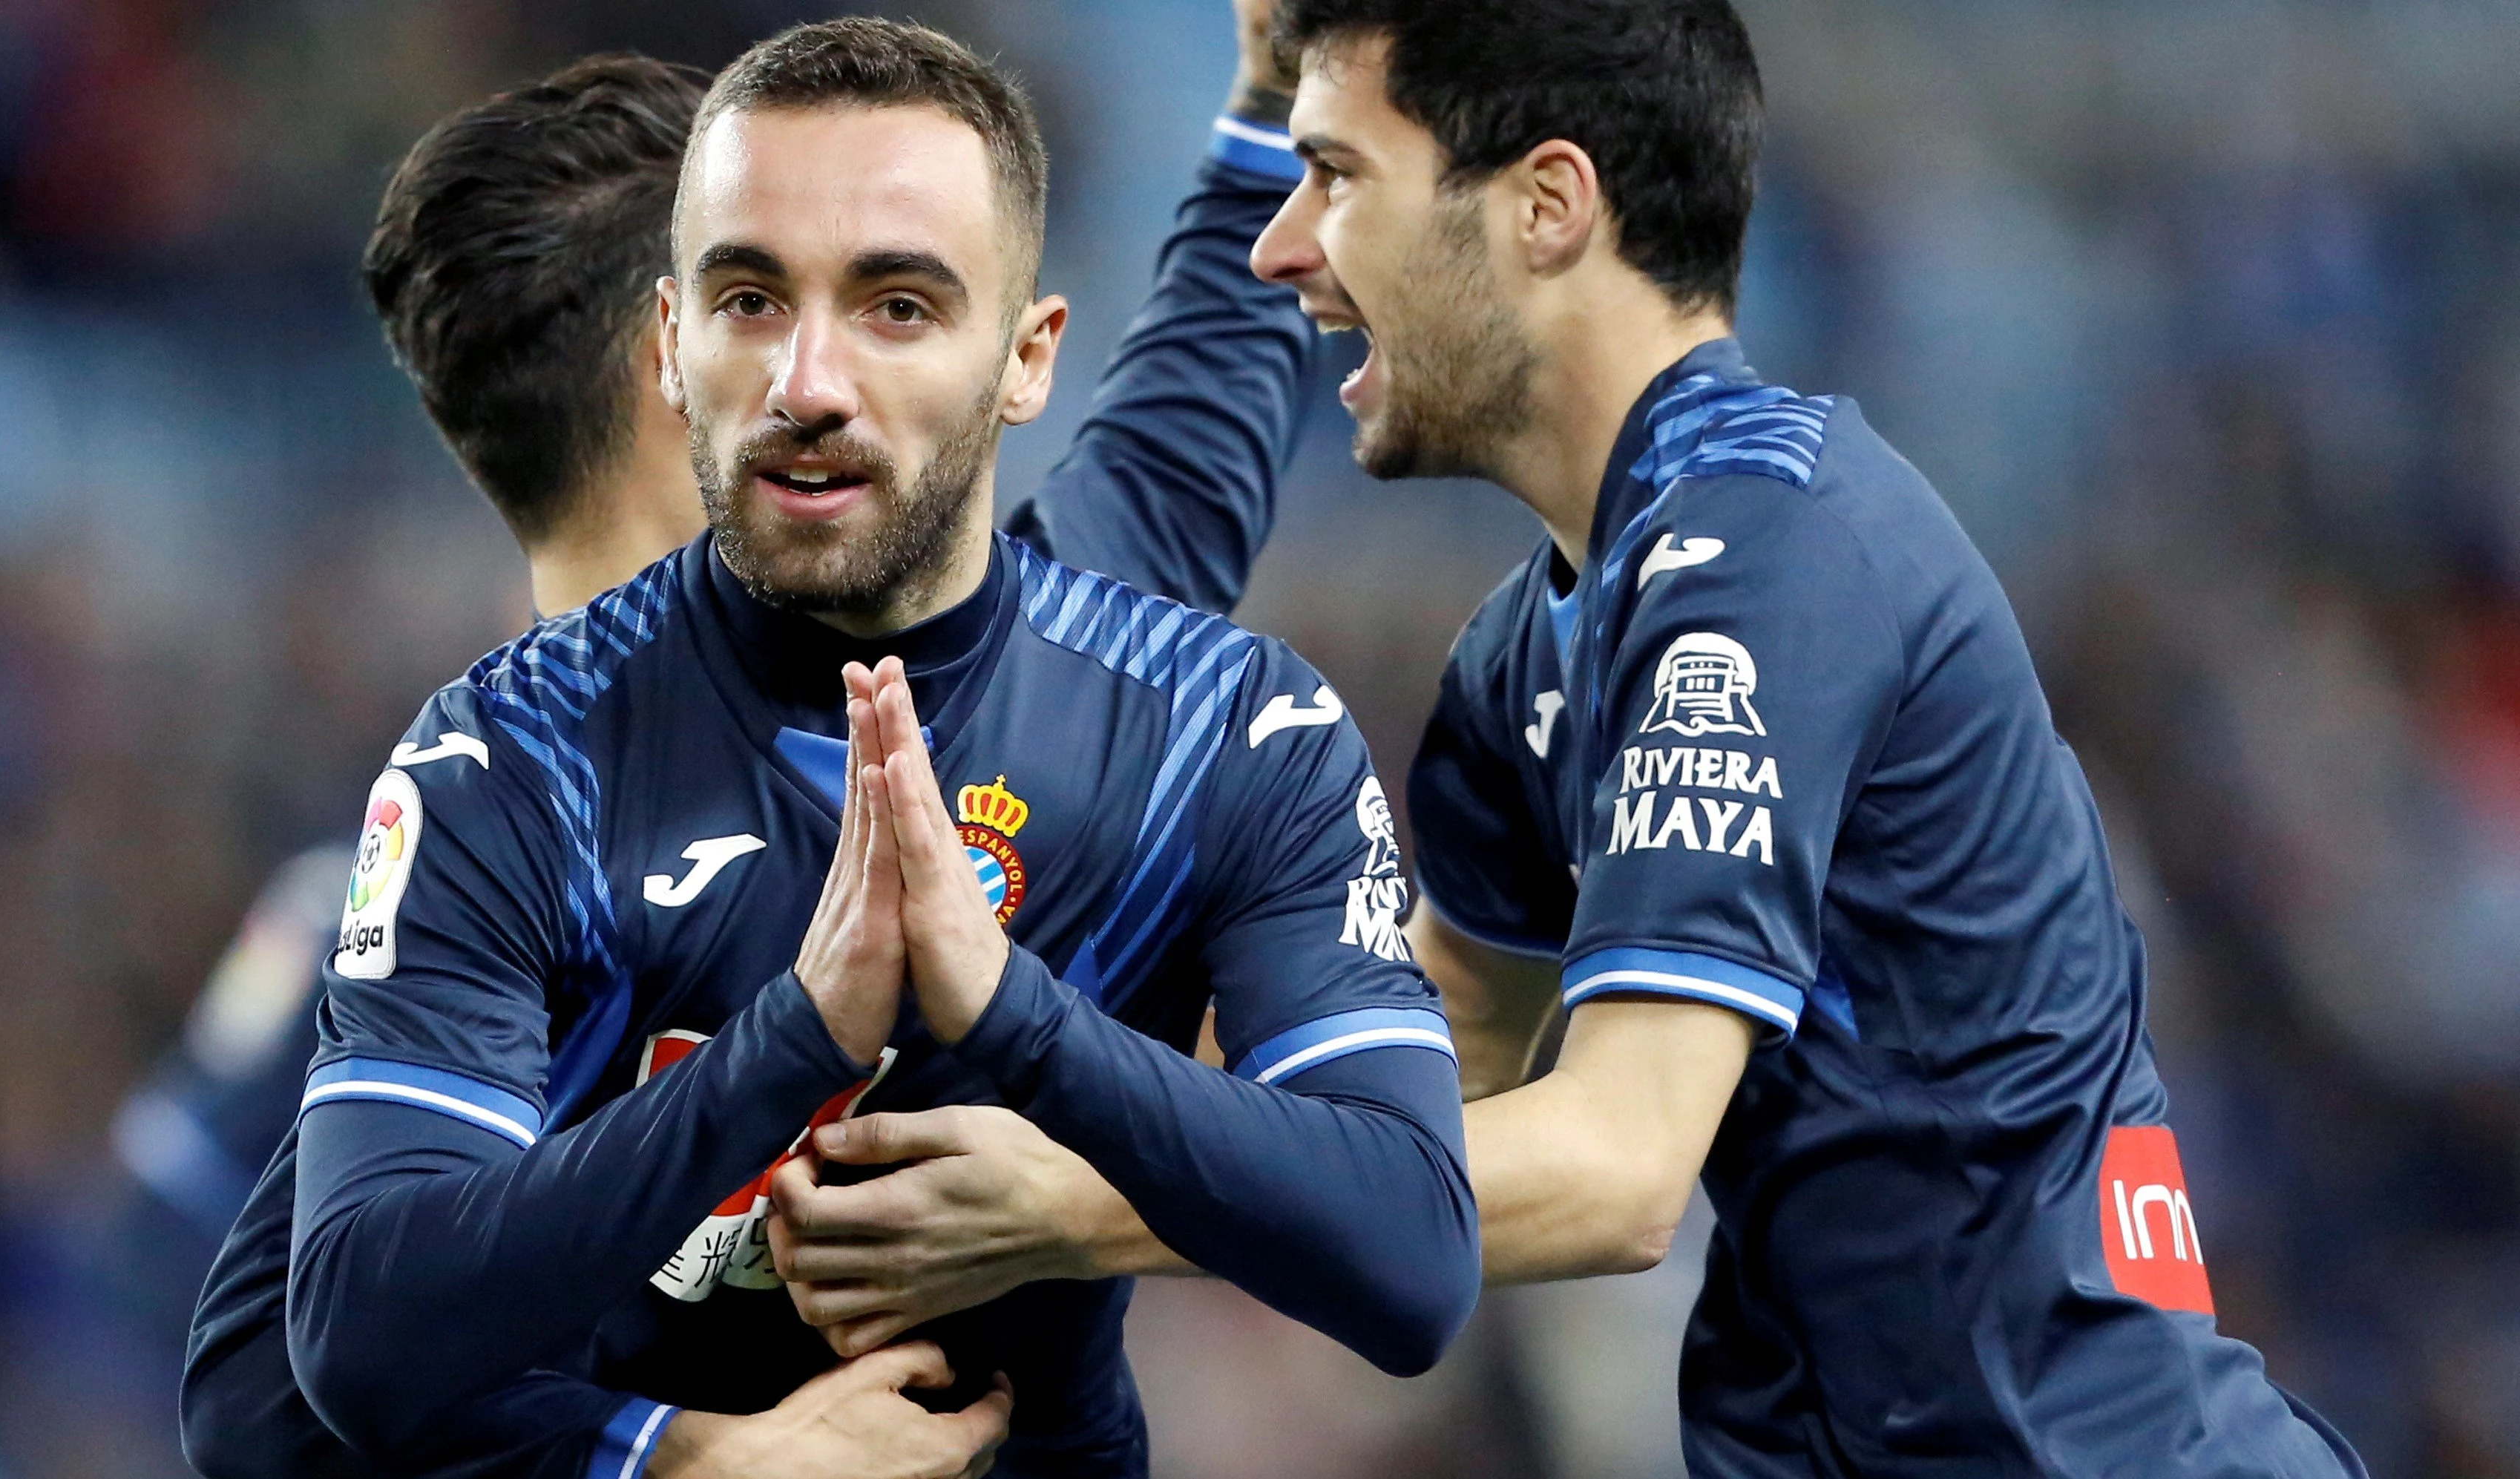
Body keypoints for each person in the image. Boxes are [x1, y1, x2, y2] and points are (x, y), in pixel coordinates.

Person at [767, 0, 2371, 1473]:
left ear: (1545, 205)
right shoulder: (1528, 653)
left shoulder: (1772, 553)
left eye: (1335, 176)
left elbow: (1613, 1170)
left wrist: (1073, 1204)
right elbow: (1392, 1100)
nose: (1286, 251)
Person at [263, 16, 1476, 1479]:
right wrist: (691, 1449)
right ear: (670, 347)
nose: (812, 382)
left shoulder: (1191, 718)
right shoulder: (508, 770)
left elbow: (1414, 1257)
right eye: (752, 299)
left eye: (897, 304)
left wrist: (1022, 1030)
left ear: (1024, 359)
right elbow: (295, 1370)